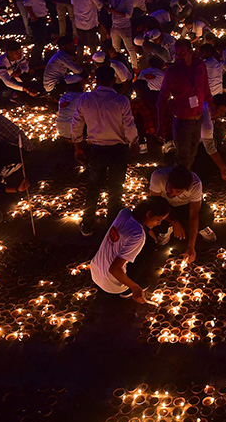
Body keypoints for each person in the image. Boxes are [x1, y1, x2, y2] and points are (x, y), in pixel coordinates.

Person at [89, 197, 172, 300]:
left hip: (95, 271)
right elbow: (114, 269)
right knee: (149, 248)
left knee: (145, 244)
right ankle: (129, 287)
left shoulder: (124, 212)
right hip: (113, 285)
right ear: (149, 214)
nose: (159, 223)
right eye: (158, 220)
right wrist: (135, 288)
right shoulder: (138, 236)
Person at [158, 39, 212, 170]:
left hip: (198, 118)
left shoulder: (200, 65)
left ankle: (185, 180)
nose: (179, 57)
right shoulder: (172, 72)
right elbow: (162, 98)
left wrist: (212, 107)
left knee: (193, 153)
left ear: (190, 51)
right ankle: (178, 184)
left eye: (182, 53)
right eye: (176, 54)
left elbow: (205, 86)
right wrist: (160, 124)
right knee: (182, 156)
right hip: (183, 120)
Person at [148, 163, 216, 263]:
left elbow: (194, 215)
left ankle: (201, 228)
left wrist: (191, 247)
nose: (171, 193)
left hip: (186, 206)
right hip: (165, 205)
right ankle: (166, 229)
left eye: (177, 191)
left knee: (206, 215)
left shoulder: (195, 184)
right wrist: (174, 222)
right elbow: (155, 205)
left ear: (186, 189)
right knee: (154, 217)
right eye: (170, 187)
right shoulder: (158, 176)